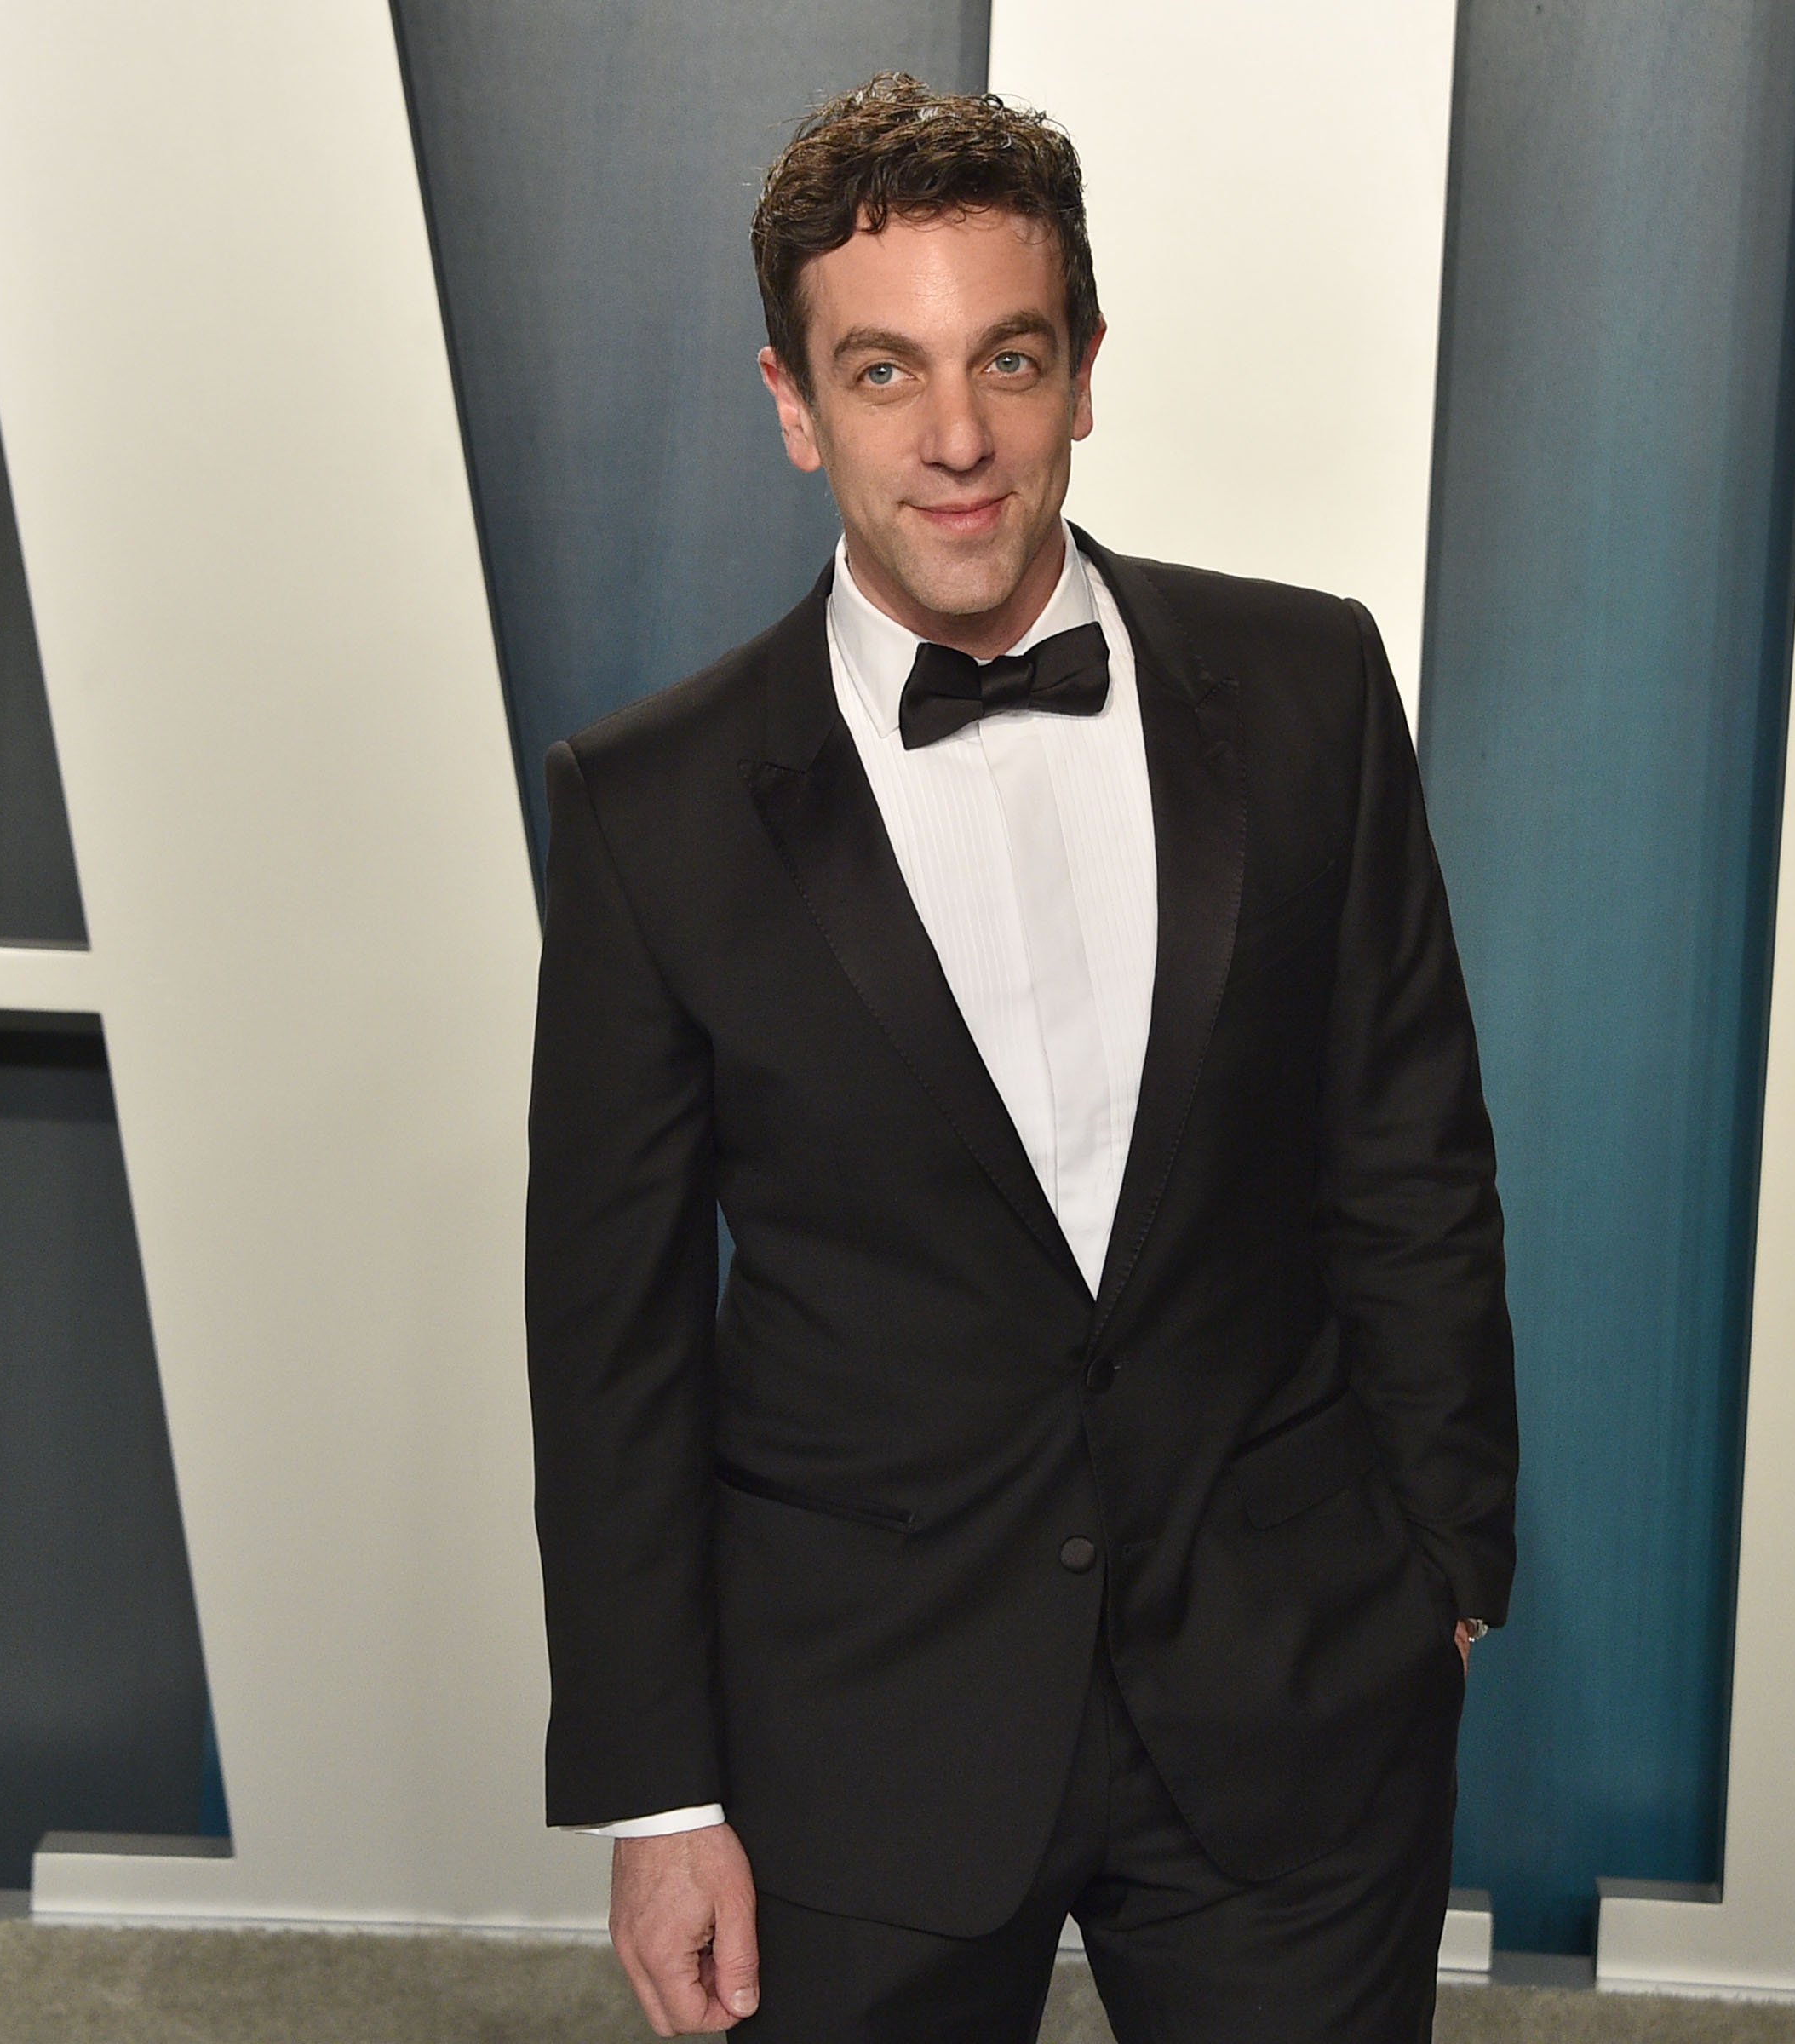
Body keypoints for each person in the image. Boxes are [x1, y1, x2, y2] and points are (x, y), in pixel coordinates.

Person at [525, 73, 1517, 2043]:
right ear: (795, 405)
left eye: (1010, 359)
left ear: (1084, 374)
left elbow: (1410, 1156)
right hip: (856, 1733)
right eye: (884, 372)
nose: (958, 438)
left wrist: (1443, 1584)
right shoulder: (655, 808)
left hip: (1292, 1694)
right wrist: (660, 1792)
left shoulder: (1311, 689)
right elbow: (611, 1337)